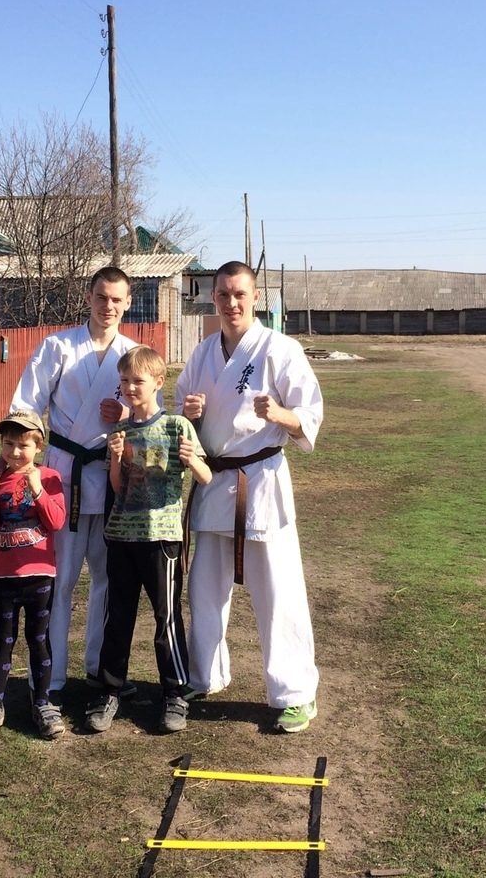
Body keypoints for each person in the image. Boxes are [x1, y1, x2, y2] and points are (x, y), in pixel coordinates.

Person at [175, 260, 325, 733]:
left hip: (260, 483)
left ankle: (295, 693)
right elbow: (181, 417)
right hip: (212, 480)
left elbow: (310, 414)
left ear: (255, 297)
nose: (231, 303)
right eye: (223, 294)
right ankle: (204, 675)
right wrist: (189, 413)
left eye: (239, 294)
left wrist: (281, 415)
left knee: (278, 592)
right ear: (213, 298)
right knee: (204, 589)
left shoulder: (280, 349)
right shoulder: (203, 353)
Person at [6, 267, 137, 696]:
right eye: (101, 297)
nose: (108, 306)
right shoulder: (58, 346)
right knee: (58, 579)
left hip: (112, 475)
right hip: (63, 477)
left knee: (106, 577)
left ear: (128, 303)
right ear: (88, 297)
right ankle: (50, 674)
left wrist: (127, 415)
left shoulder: (134, 354)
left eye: (116, 299)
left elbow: (150, 414)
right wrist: (19, 462)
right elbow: (26, 406)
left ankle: (98, 666)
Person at [85, 346, 211, 735]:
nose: (129, 388)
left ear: (158, 382)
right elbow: (118, 487)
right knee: (117, 615)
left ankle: (175, 693)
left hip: (161, 537)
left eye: (137, 381)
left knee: (166, 617)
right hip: (122, 534)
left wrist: (192, 460)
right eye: (124, 381)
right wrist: (116, 458)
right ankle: (110, 690)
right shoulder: (119, 431)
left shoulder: (177, 426)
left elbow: (206, 477)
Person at [0, 409, 67, 743]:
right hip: (4, 577)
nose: (14, 452)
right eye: (8, 443)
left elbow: (56, 522)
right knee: (3, 639)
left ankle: (43, 702)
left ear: (38, 446)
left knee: (38, 640)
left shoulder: (50, 477)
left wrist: (38, 490)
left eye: (23, 445)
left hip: (40, 576)